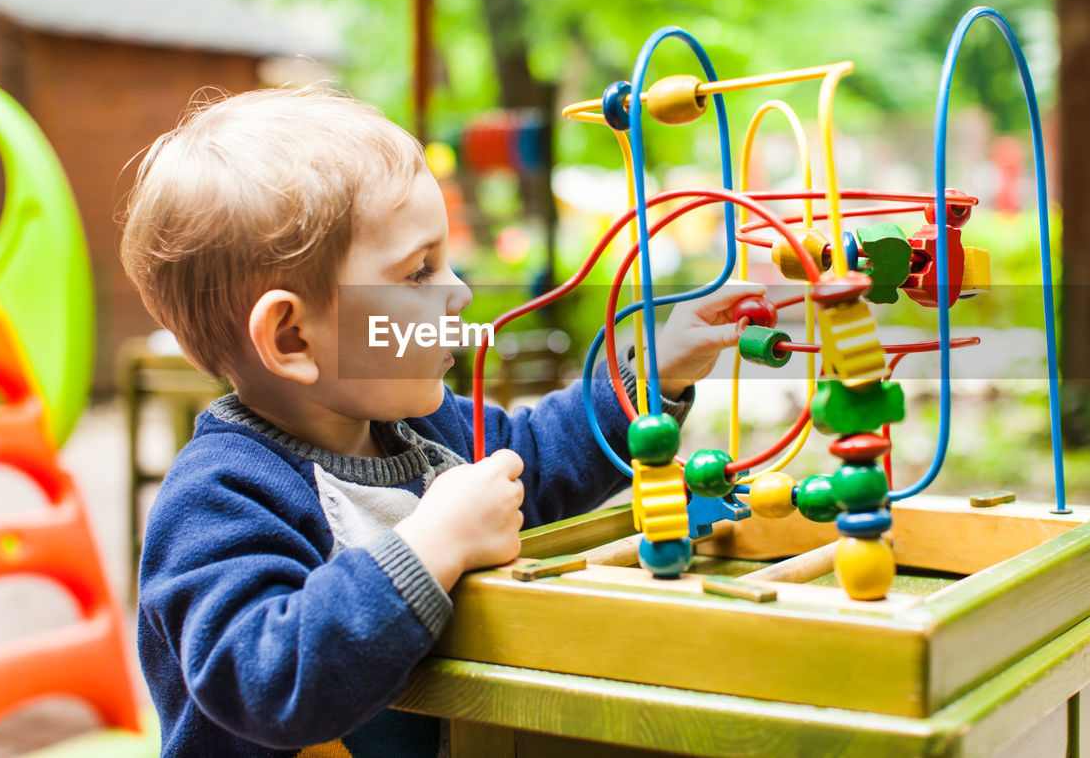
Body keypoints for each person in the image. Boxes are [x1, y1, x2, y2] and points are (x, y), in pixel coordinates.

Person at [120, 85, 758, 757]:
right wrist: (435, 541)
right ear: (294, 339)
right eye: (419, 271)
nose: (461, 290)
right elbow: (267, 678)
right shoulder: (220, 498)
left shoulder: (428, 431)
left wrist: (652, 377)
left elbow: (539, 457)